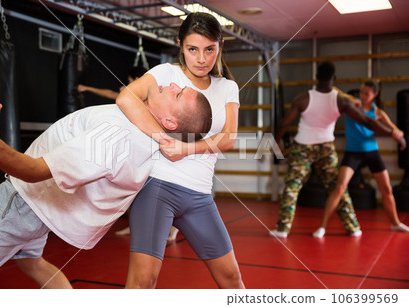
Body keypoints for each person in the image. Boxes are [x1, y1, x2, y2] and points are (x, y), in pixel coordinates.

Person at [0, 83, 212, 289]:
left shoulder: (116, 137)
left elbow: (34, 172)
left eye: (177, 94)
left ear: (168, 122)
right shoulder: (147, 136)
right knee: (33, 264)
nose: (173, 84)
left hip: (23, 202)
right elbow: (129, 95)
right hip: (42, 211)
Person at [116, 12, 244, 289]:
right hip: (158, 188)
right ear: (180, 46)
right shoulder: (166, 74)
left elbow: (229, 138)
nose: (201, 59)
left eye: (210, 49)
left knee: (232, 278)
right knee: (142, 282)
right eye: (192, 49)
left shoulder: (227, 88)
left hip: (199, 195)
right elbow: (126, 98)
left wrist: (184, 149)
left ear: (220, 46)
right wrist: (164, 139)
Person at [270, 62, 406, 239]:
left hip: (302, 147)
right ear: (334, 79)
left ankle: (283, 229)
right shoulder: (341, 100)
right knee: (337, 188)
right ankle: (353, 227)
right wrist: (393, 134)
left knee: (292, 187)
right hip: (326, 147)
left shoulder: (302, 98)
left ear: (316, 77)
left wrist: (275, 145)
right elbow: (367, 121)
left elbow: (284, 124)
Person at [313, 79, 408, 238]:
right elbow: (337, 91)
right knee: (340, 187)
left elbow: (395, 129)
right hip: (353, 152)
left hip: (372, 152)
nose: (362, 96)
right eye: (361, 92)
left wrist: (399, 135)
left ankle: (395, 223)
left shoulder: (378, 112)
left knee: (387, 189)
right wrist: (328, 84)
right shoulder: (353, 104)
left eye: (366, 93)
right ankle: (322, 227)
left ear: (374, 95)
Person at [77, 66, 147, 100]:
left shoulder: (147, 95)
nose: (128, 83)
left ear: (137, 79)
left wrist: (125, 94)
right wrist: (87, 88)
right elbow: (110, 94)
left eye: (129, 81)